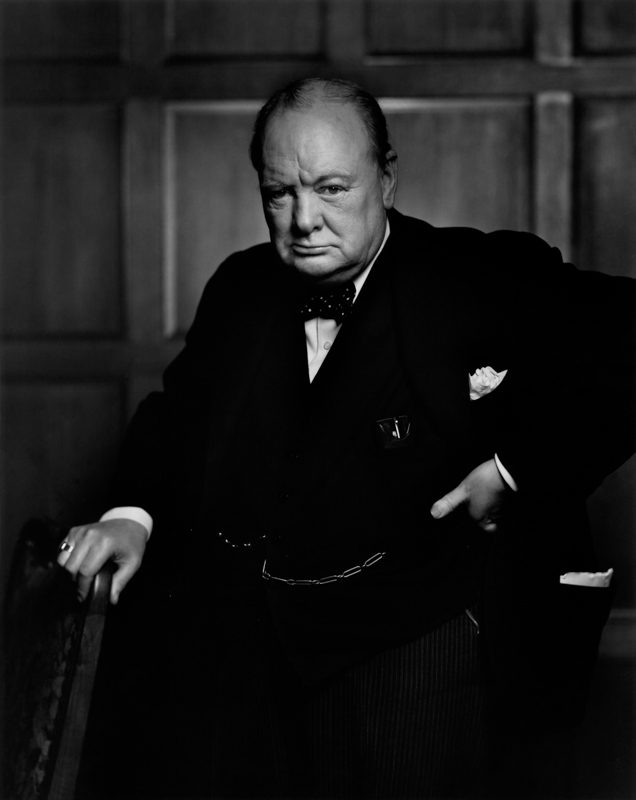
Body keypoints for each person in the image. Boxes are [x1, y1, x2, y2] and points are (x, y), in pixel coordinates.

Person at [59, 77, 636, 799]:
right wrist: (131, 516)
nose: (304, 220)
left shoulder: (473, 273)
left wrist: (514, 468)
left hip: (419, 648)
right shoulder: (239, 286)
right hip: (252, 654)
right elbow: (178, 417)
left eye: (332, 189)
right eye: (280, 193)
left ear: (386, 179)